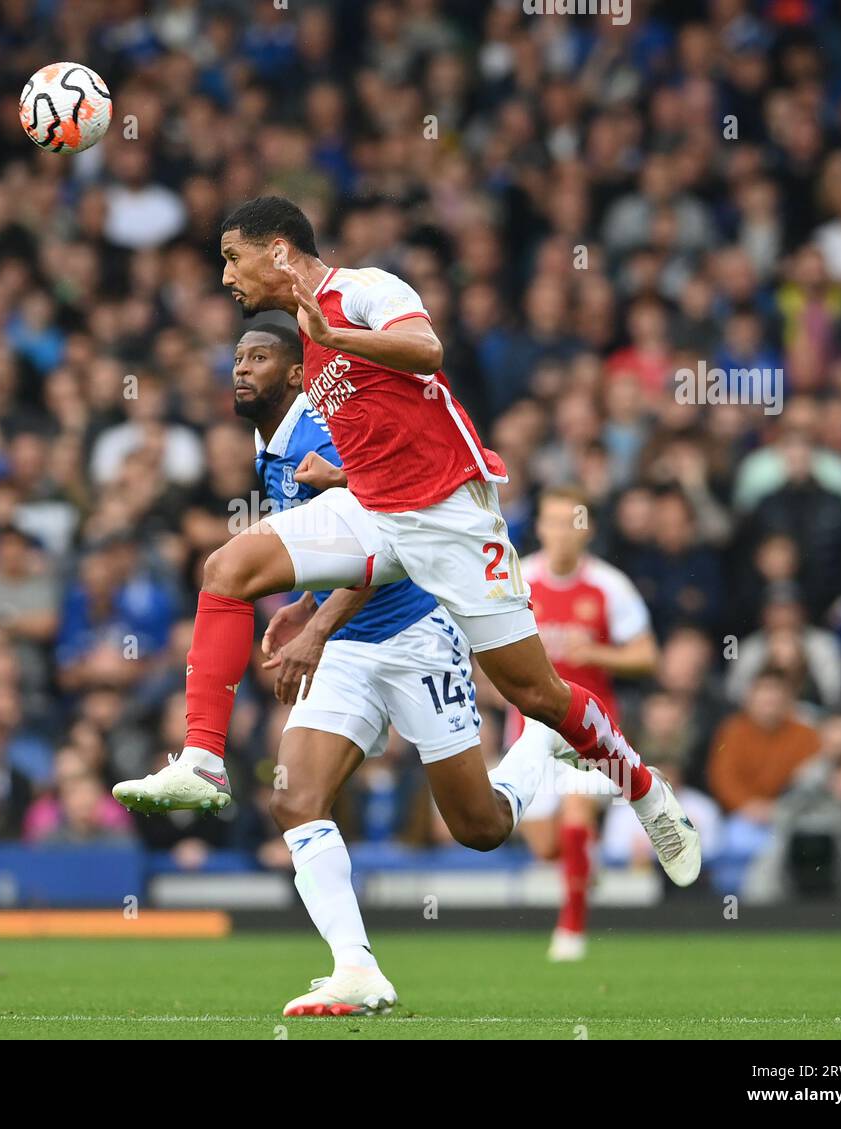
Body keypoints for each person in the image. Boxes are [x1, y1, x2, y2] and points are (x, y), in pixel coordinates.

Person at [114, 195, 698, 894]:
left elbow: (427, 350)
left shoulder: (360, 291)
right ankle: (205, 757)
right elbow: (384, 422)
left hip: (452, 517)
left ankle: (642, 790)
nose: (224, 277)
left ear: (277, 251)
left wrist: (340, 335)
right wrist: (317, 588)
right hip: (377, 510)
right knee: (228, 566)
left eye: (232, 258)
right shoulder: (307, 323)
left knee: (535, 695)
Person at [120, 325, 569, 1015]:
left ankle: (542, 736)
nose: (241, 369)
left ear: (299, 375)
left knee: (479, 827)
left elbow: (391, 539)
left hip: (416, 631)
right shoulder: (268, 444)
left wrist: (316, 628)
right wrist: (306, 605)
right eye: (237, 358)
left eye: (259, 357)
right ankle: (356, 968)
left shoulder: (326, 432)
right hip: (347, 645)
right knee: (295, 798)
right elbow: (331, 543)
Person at [513, 485, 659, 962]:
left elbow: (646, 654)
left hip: (589, 728)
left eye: (571, 522)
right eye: (552, 521)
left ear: (587, 529)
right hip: (530, 727)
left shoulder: (608, 585)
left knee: (577, 814)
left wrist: (595, 652)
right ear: (539, 527)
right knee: (546, 843)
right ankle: (582, 864)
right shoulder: (518, 579)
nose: (561, 532)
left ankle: (571, 929)